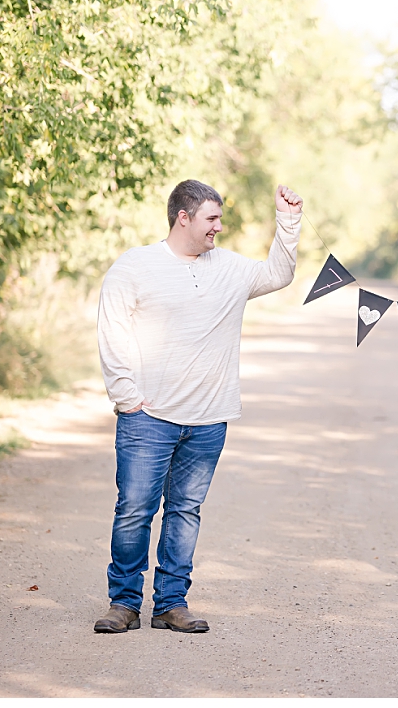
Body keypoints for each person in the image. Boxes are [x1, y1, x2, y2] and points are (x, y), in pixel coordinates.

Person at [92, 179, 303, 633]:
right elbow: (112, 329)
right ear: (182, 217)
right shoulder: (136, 266)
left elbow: (279, 273)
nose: (219, 228)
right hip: (148, 418)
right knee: (134, 510)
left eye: (220, 218)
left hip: (209, 419)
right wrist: (126, 397)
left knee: (185, 512)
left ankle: (171, 603)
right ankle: (123, 603)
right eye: (211, 218)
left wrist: (288, 220)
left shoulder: (229, 268)